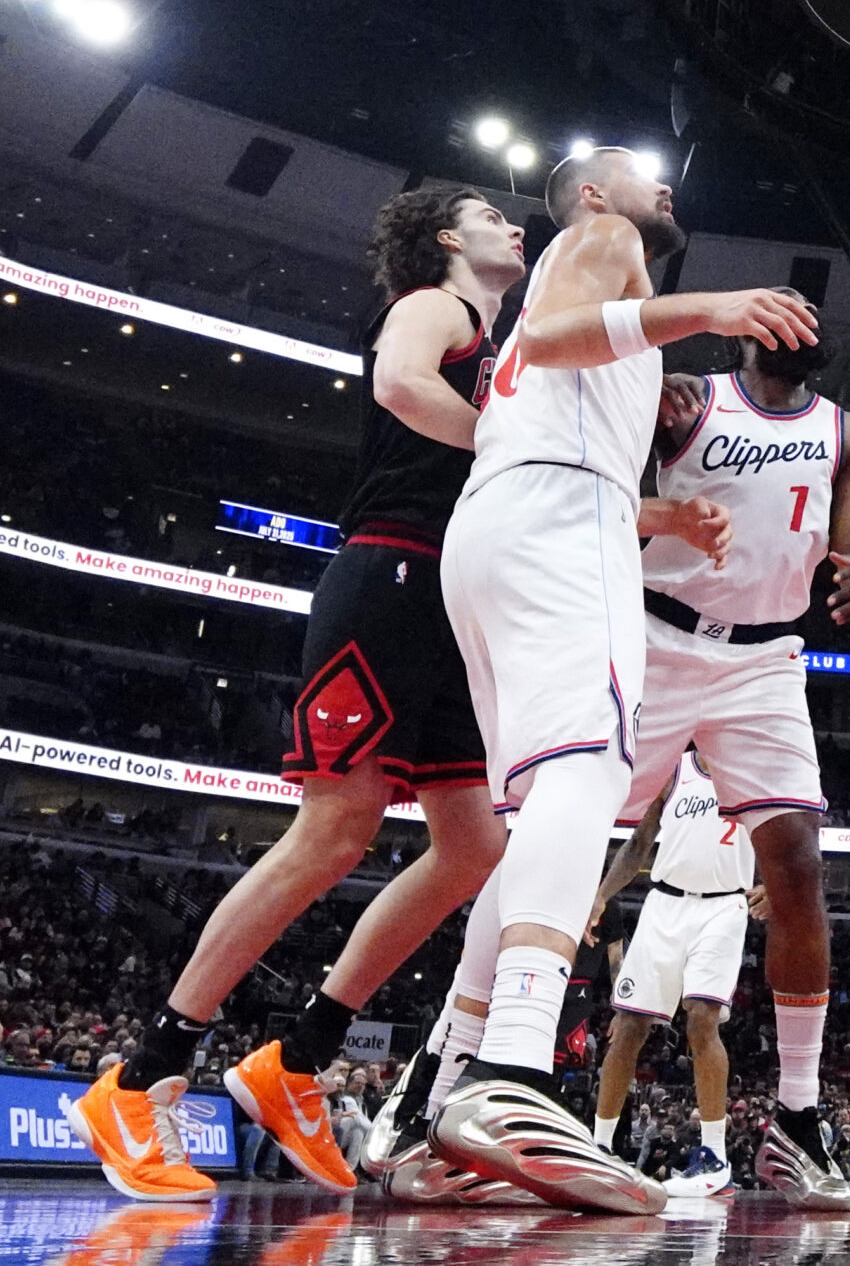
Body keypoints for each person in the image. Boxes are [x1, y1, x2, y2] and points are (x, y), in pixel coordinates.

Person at [73, 186, 525, 1202]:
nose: (515, 226)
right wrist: (511, 447)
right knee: (331, 832)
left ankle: (297, 1059)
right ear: (449, 240)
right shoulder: (433, 306)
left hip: (450, 598)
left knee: (473, 848)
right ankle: (142, 1075)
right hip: (390, 575)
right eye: (492, 215)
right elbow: (404, 389)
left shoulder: (501, 344)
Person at [422, 146, 817, 1214]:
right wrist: (715, 305)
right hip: (558, 521)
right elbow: (553, 346)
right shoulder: (604, 240)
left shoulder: (585, 275)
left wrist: (667, 515)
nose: (664, 187)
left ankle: (443, 1095)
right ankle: (510, 1074)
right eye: (637, 173)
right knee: (590, 774)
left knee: (542, 804)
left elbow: (553, 390)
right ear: (592, 196)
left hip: (503, 522)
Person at [580, 298, 850, 1207]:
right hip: (654, 634)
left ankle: (796, 1118)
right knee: (565, 836)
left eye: (813, 318)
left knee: (796, 858)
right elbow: (601, 498)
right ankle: (463, 1066)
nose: (800, 326)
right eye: (783, 315)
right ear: (744, 336)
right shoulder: (684, 399)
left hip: (764, 656)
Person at [586, 752, 754, 1198]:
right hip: (663, 905)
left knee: (701, 1017)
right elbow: (640, 844)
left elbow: (786, 834)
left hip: (724, 905)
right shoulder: (674, 770)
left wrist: (777, 884)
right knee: (628, 1027)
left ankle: (714, 1155)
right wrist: (600, 897)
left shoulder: (751, 765)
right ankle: (600, 1146)